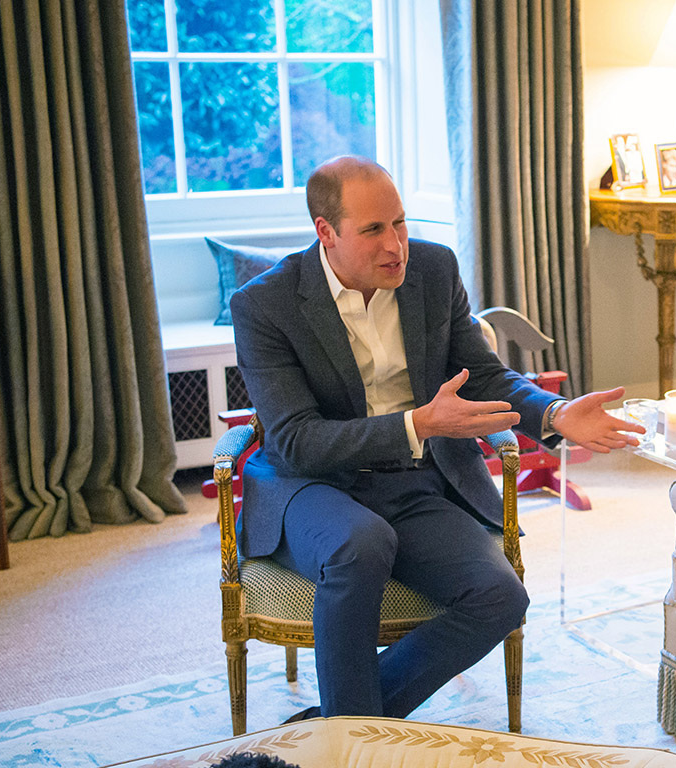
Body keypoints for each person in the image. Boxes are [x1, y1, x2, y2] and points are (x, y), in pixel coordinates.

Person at [231, 155, 639, 723]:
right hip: (313, 484)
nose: (395, 245)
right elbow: (298, 441)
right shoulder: (264, 304)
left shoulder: (434, 269)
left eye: (399, 222)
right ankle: (354, 747)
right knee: (360, 543)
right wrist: (417, 425)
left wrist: (556, 412)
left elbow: (486, 375)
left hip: (417, 481)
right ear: (326, 233)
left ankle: (347, 723)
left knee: (501, 597)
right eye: (373, 230)